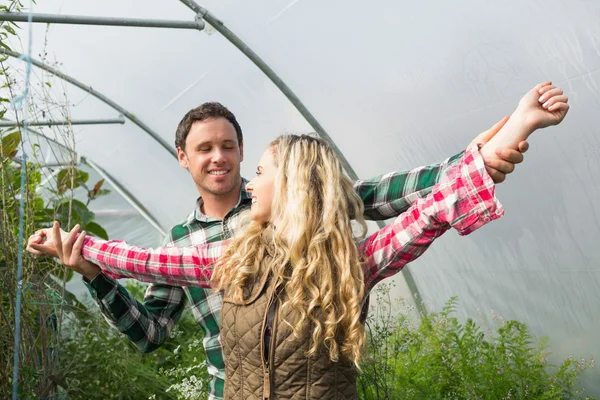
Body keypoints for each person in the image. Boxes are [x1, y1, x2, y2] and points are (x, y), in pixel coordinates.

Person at [29, 82, 568, 399]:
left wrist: (484, 153)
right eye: (205, 149)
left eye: (236, 151)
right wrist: (88, 264)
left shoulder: (345, 258)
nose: (225, 162)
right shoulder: (211, 252)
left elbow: (418, 203)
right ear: (184, 158)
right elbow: (147, 278)